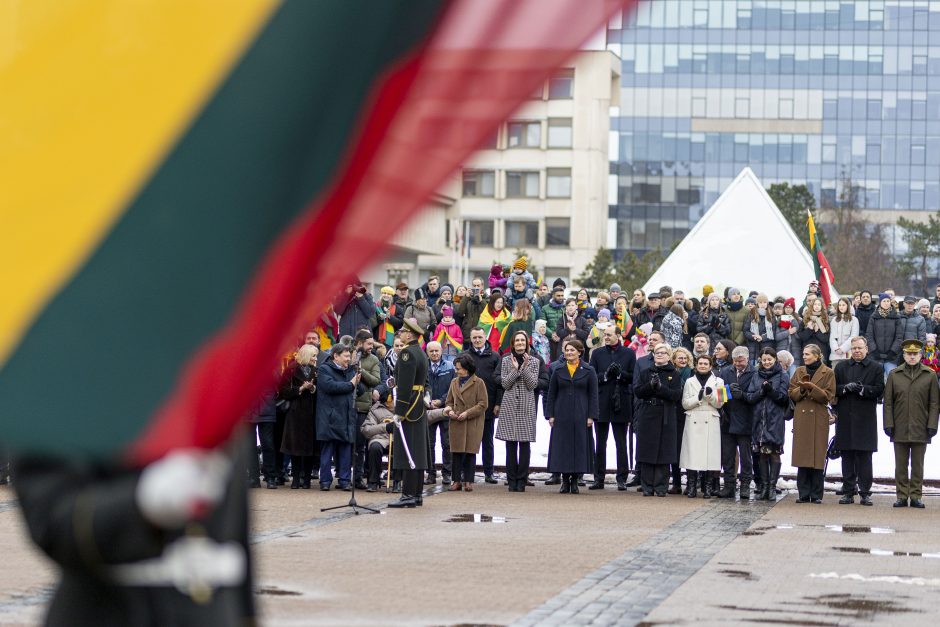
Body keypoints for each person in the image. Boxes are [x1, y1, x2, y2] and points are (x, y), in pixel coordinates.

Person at [15, 444, 254, 626]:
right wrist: (142, 502)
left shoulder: (210, 381)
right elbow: (51, 517)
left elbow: (234, 533)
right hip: (111, 612)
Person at [884, 339, 940, 509]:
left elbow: (934, 403)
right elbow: (888, 403)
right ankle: (901, 495)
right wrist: (888, 423)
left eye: (915, 354)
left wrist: (932, 424)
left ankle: (915, 495)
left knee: (917, 464)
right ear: (904, 355)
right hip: (899, 425)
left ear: (921, 355)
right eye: (909, 354)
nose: (912, 357)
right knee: (900, 465)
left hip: (921, 426)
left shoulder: (929, 375)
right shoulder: (895, 374)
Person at [833, 337, 885, 506]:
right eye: (854, 348)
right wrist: (845, 388)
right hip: (846, 417)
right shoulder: (841, 367)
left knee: (865, 457)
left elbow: (879, 390)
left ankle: (865, 492)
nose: (856, 350)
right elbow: (833, 389)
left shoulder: (876, 367)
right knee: (846, 456)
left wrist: (863, 390)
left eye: (859, 348)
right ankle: (848, 491)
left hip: (865, 419)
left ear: (866, 349)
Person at [546, 339, 599, 494]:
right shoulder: (558, 369)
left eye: (572, 350)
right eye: (567, 350)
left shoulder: (589, 370)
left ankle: (575, 480)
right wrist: (550, 415)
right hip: (561, 414)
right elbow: (551, 394)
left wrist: (591, 416)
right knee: (562, 447)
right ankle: (564, 480)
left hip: (581, 414)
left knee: (579, 447)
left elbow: (593, 395)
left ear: (579, 352)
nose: (569, 353)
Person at [388, 318, 431, 508]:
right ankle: (417, 493)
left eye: (404, 331)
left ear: (410, 334)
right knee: (417, 451)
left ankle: (408, 496)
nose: (401, 334)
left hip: (410, 406)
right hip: (418, 405)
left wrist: (399, 411)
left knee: (408, 452)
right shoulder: (420, 352)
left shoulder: (406, 353)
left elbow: (405, 386)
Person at [589, 325, 636, 490]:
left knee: (621, 443)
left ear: (618, 335)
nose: (606, 337)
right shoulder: (597, 353)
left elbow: (633, 377)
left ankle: (621, 478)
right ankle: (598, 478)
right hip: (601, 402)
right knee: (600, 443)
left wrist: (620, 374)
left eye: (609, 334)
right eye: (605, 335)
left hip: (621, 402)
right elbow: (591, 376)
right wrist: (605, 375)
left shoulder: (629, 353)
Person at [632, 343, 682, 497]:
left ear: (669, 355)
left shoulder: (674, 374)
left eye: (662, 352)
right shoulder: (647, 372)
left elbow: (675, 396)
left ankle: (661, 486)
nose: (659, 355)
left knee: (664, 451)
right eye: (656, 352)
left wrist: (660, 388)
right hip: (648, 413)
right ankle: (647, 486)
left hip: (666, 414)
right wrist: (650, 386)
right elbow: (638, 391)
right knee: (647, 450)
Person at [788, 343, 836, 504]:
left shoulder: (828, 372)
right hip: (802, 417)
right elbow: (792, 393)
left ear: (817, 355)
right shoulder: (799, 371)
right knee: (802, 456)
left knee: (817, 455)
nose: (804, 356)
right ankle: (803, 493)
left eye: (807, 354)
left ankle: (816, 494)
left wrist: (812, 387)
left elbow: (828, 396)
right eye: (804, 354)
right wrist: (802, 390)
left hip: (818, 417)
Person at [497, 331, 541, 492]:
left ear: (527, 343)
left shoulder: (535, 361)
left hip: (526, 405)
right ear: (513, 343)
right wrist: (515, 369)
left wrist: (523, 368)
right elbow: (505, 384)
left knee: (524, 444)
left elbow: (532, 384)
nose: (520, 343)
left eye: (523, 340)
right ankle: (511, 479)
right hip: (509, 405)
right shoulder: (506, 360)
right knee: (510, 444)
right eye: (517, 340)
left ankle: (522, 479)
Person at [745, 348, 790, 501]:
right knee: (762, 454)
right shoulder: (756, 375)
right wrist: (761, 393)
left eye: (769, 359)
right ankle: (763, 486)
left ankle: (772, 486)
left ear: (775, 359)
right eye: (764, 360)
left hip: (775, 419)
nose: (767, 362)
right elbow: (750, 397)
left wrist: (770, 391)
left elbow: (784, 398)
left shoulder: (782, 375)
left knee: (774, 453)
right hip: (759, 420)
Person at [316, 344, 361, 491]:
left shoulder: (351, 370)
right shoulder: (324, 369)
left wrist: (357, 382)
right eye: (346, 356)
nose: (349, 359)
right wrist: (351, 384)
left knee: (345, 450)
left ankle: (345, 480)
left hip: (346, 416)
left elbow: (357, 390)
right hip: (329, 417)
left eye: (349, 356)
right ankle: (325, 481)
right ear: (336, 356)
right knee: (327, 451)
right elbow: (330, 387)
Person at [680, 354, 726, 499]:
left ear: (710, 366)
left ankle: (708, 487)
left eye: (706, 363)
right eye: (700, 363)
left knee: (709, 455)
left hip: (710, 418)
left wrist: (710, 396)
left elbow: (721, 402)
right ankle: (691, 486)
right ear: (696, 365)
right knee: (692, 455)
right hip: (693, 417)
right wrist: (698, 398)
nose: (703, 366)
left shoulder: (720, 381)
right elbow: (685, 403)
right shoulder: (689, 381)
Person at [464, 326, 503, 483]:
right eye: (474, 338)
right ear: (471, 339)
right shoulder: (465, 356)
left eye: (480, 337)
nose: (477, 340)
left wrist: (497, 404)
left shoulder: (494, 357)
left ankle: (489, 472)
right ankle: (467, 473)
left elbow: (499, 383)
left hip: (488, 404)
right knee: (468, 441)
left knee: (487, 441)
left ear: (485, 338)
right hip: (468, 406)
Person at [445, 353, 489, 492]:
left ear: (467, 368)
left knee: (470, 452)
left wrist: (467, 413)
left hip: (472, 422)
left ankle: (468, 481)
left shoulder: (479, 382)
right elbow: (449, 401)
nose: (457, 371)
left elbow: (483, 404)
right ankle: (456, 481)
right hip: (456, 421)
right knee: (456, 452)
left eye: (459, 368)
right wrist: (449, 410)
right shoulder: (454, 382)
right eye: (456, 368)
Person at [279, 344, 319, 489]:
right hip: (295, 412)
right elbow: (282, 390)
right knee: (295, 447)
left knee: (309, 448)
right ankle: (296, 479)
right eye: (313, 355)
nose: (315, 359)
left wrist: (313, 388)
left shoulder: (316, 371)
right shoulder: (291, 369)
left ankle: (307, 479)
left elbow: (320, 390)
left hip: (311, 412)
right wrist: (301, 388)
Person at [718, 346, 756, 499]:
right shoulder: (726, 371)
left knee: (746, 456)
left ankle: (745, 485)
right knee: (727, 456)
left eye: (740, 361)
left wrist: (743, 395)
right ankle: (729, 485)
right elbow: (719, 396)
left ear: (747, 358)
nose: (738, 364)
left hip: (746, 419)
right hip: (728, 418)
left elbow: (756, 395)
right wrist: (727, 391)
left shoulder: (754, 373)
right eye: (735, 361)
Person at [425, 341, 456, 486]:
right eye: (431, 351)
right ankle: (430, 473)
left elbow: (453, 387)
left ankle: (447, 473)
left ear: (441, 351)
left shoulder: (450, 367)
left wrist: (441, 401)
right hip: (428, 409)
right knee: (429, 443)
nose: (434, 354)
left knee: (447, 443)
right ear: (427, 353)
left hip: (445, 409)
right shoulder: (423, 367)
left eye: (436, 351)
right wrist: (428, 401)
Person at [360, 389, 398, 492]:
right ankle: (373, 481)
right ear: (387, 401)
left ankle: (397, 481)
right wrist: (385, 427)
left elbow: (427, 415)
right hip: (380, 438)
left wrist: (442, 412)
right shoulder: (375, 410)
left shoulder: (403, 409)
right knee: (375, 447)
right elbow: (366, 429)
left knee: (400, 448)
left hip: (396, 440)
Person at [670, 347, 693, 494]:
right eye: (680, 358)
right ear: (674, 360)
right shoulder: (671, 373)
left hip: (689, 414)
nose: (683, 360)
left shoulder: (692, 373)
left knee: (691, 449)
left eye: (685, 358)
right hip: (675, 414)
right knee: (676, 449)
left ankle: (692, 482)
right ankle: (677, 483)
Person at [865, 292, 905, 379]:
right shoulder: (874, 317)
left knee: (891, 380)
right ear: (880, 303)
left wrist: (893, 351)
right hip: (876, 356)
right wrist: (874, 350)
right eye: (884, 301)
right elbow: (869, 335)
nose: (886, 303)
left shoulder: (896, 317)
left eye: (888, 301)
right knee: (876, 380)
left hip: (891, 357)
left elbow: (899, 337)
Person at [744, 293, 776, 365]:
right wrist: (754, 336)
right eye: (760, 302)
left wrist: (762, 337)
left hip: (766, 346)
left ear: (767, 303)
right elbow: (746, 331)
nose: (762, 304)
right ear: (757, 303)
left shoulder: (771, 315)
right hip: (752, 347)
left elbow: (773, 332)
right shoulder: (751, 314)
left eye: (764, 302)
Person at [456, 277, 487, 349]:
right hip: (467, 335)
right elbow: (460, 312)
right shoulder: (468, 298)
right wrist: (466, 297)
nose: (476, 288)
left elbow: (487, 312)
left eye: (478, 286)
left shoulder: (486, 298)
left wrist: (481, 300)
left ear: (482, 286)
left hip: (480, 335)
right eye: (474, 286)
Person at [829, 297, 859, 366]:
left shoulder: (854, 320)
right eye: (840, 305)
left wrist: (843, 349)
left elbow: (854, 336)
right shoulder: (834, 320)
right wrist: (836, 349)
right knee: (835, 374)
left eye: (843, 305)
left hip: (848, 354)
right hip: (835, 355)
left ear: (847, 306)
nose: (841, 307)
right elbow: (832, 336)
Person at [799, 298, 831, 364]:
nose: (817, 306)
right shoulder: (805, 319)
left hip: (821, 351)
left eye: (819, 305)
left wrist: (817, 330)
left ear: (822, 307)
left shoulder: (826, 320)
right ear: (812, 306)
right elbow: (801, 337)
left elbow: (826, 338)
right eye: (815, 304)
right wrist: (810, 329)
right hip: (808, 351)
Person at [542, 286, 568, 360]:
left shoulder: (565, 308)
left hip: (563, 339)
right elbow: (542, 324)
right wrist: (552, 333)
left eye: (562, 295)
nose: (560, 297)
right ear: (553, 296)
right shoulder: (545, 308)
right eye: (558, 295)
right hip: (550, 339)